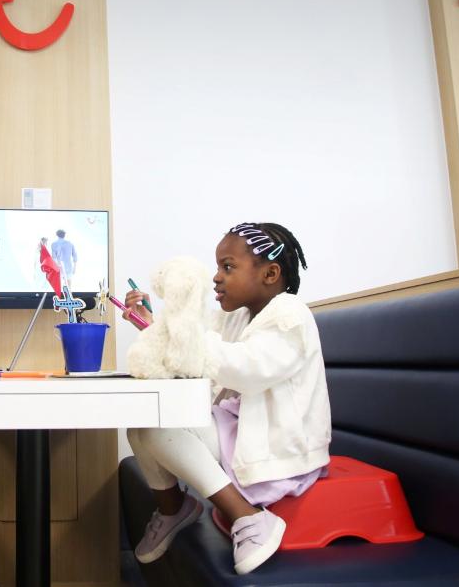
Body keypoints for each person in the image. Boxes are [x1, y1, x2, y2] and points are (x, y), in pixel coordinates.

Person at [122, 222, 331, 575]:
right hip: (241, 429)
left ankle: (247, 516)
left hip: (281, 444)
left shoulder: (290, 315)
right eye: (218, 266)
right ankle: (174, 508)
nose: (216, 277)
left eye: (228, 267)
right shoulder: (235, 317)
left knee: (160, 430)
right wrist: (152, 323)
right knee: (142, 424)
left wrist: (184, 335)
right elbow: (191, 346)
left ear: (270, 274)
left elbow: (248, 368)